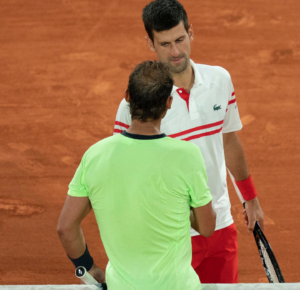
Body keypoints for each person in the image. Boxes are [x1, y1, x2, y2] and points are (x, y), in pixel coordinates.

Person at [114, 0, 265, 284]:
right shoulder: (139, 103)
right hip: (170, 236)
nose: (175, 52)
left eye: (180, 39)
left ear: (191, 32)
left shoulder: (220, 81)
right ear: (150, 44)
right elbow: (123, 168)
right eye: (165, 44)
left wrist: (250, 198)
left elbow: (229, 141)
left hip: (220, 224)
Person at [57, 60, 216, 290]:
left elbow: (65, 227)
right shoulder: (187, 156)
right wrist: (181, 210)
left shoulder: (95, 155)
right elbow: (208, 227)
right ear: (168, 104)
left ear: (128, 97)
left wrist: (88, 267)